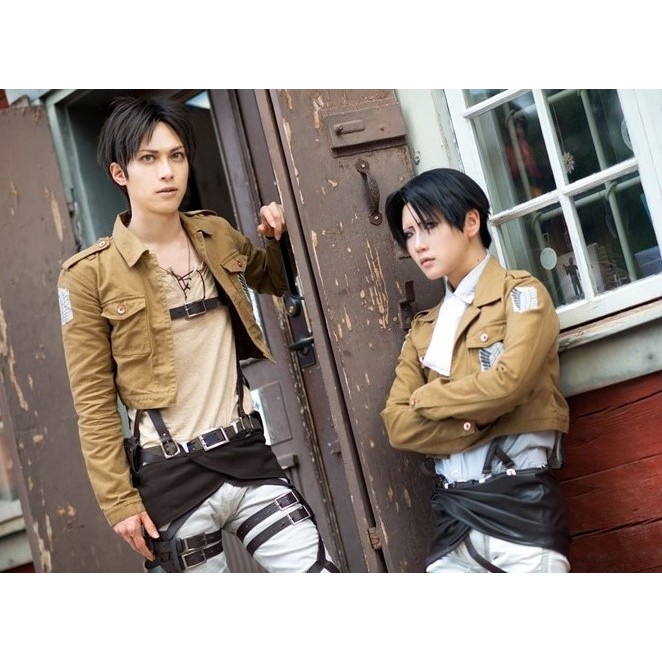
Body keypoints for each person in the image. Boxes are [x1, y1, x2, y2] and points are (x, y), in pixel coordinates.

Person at [58, 96, 339, 573]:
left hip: (246, 455)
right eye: (149, 159)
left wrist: (276, 236)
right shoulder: (87, 275)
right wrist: (118, 500)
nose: (167, 171)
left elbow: (273, 279)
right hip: (170, 477)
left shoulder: (215, 234)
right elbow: (93, 402)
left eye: (176, 156)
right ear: (119, 173)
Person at [381, 168, 571, 573]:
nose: (418, 244)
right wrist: (479, 418)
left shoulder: (521, 294)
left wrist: (429, 398)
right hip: (452, 524)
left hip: (520, 512)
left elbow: (508, 385)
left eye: (428, 226)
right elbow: (397, 424)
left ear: (470, 222)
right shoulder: (424, 328)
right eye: (410, 234)